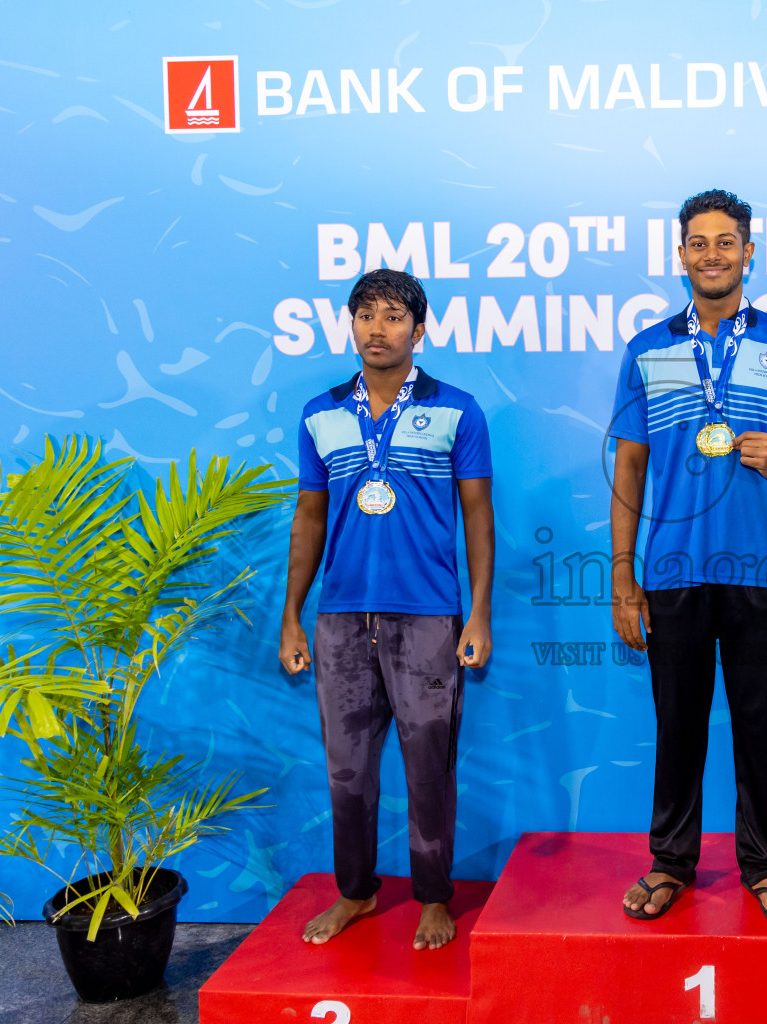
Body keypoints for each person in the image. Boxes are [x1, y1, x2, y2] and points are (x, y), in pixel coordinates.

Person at [608, 188, 767, 925]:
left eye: (727, 242)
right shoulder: (648, 349)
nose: (712, 254)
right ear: (681, 254)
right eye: (699, 242)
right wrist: (624, 576)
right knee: (676, 724)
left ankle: (765, 866)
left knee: (760, 725)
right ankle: (669, 863)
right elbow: (628, 468)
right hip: (672, 570)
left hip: (761, 569)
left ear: (749, 253)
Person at [278, 268, 494, 951]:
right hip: (340, 620)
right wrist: (292, 614)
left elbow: (479, 517)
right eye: (365, 314)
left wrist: (479, 615)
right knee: (348, 770)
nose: (379, 327)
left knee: (430, 765)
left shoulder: (459, 410)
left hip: (428, 618)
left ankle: (434, 897)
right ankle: (356, 893)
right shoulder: (321, 414)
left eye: (394, 315)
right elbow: (309, 518)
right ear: (351, 325)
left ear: (419, 329)